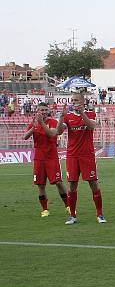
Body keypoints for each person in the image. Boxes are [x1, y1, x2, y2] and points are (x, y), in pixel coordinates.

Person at [56, 93, 105, 224]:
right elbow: (59, 131)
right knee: (72, 185)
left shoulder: (90, 114)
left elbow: (91, 126)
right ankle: (72, 215)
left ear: (83, 102)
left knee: (93, 184)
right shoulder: (68, 117)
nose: (74, 102)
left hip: (87, 155)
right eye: (72, 100)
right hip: (72, 155)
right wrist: (61, 117)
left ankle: (99, 214)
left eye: (76, 100)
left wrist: (82, 113)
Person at [23, 102, 68, 217]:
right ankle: (45, 209)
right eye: (41, 110)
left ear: (48, 111)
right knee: (41, 185)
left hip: (51, 157)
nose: (43, 112)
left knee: (58, 182)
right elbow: (25, 137)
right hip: (39, 158)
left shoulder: (53, 122)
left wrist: (41, 123)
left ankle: (68, 205)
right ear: (37, 111)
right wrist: (33, 127)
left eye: (45, 110)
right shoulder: (34, 123)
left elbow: (52, 134)